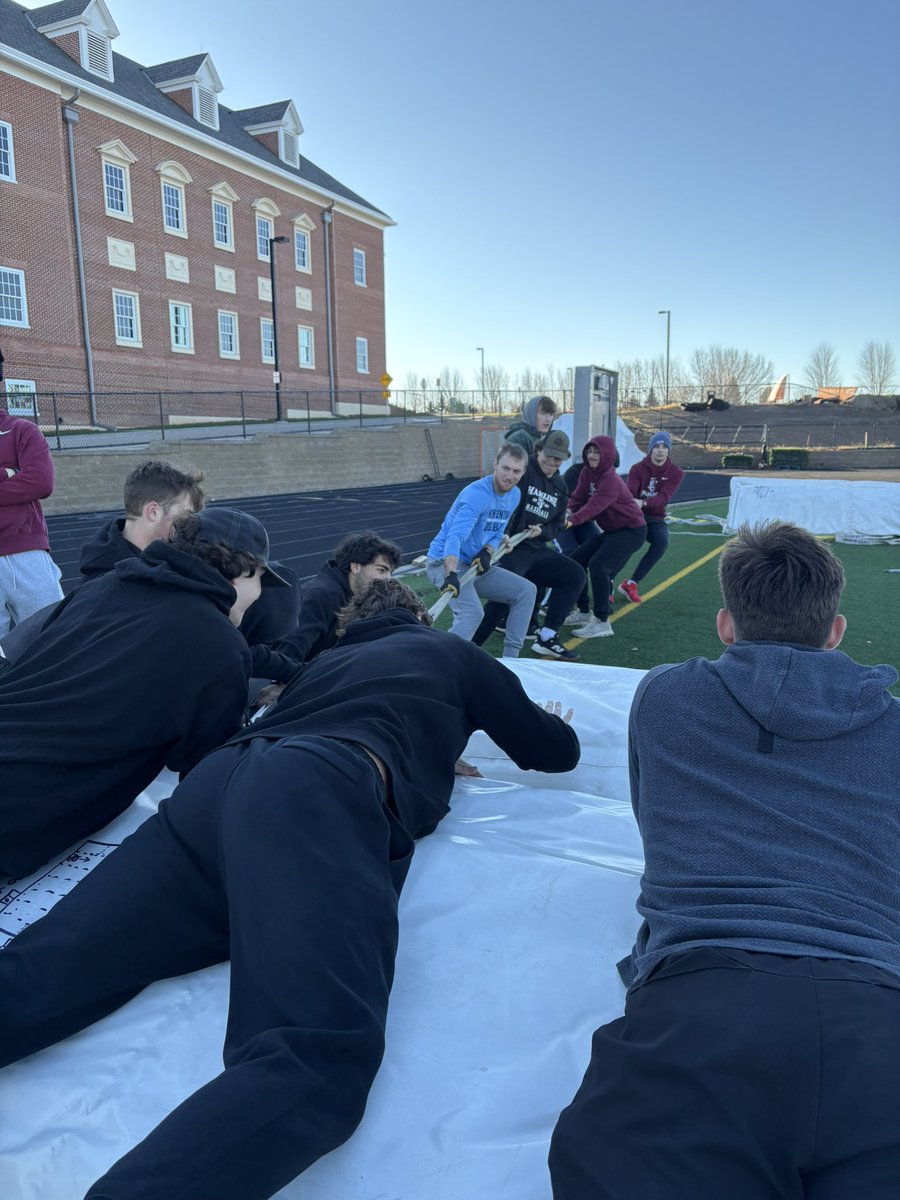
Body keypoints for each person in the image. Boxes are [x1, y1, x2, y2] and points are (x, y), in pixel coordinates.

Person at [0, 577, 580, 1200]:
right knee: (315, 1055)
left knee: (45, 970)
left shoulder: (326, 663)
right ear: (418, 616)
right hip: (312, 791)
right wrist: (514, 723)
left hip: (216, 789)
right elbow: (552, 752)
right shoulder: (450, 652)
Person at [550, 521, 900, 1199]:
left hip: (697, 1006)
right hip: (877, 1013)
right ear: (836, 630)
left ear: (725, 625)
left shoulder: (664, 697)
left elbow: (654, 820)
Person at [0, 507, 289, 881]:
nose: (260, 595)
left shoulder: (100, 588)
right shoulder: (216, 644)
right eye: (261, 580)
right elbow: (207, 774)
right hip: (19, 814)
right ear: (244, 571)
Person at [472, 429, 585, 661]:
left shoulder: (561, 487)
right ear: (539, 449)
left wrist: (543, 531)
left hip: (535, 549)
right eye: (549, 455)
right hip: (510, 548)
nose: (552, 461)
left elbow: (557, 523)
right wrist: (502, 533)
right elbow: (504, 502)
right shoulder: (523, 470)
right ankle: (471, 644)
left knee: (575, 574)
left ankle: (547, 635)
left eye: (558, 458)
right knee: (504, 595)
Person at [426, 443, 537, 658]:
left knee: (526, 591)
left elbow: (496, 530)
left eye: (516, 471)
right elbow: (454, 538)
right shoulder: (477, 495)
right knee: (472, 613)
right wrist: (450, 574)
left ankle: (511, 663)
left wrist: (488, 549)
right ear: (495, 464)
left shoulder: (514, 495)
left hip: (473, 565)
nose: (510, 476)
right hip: (445, 562)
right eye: (505, 468)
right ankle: (443, 663)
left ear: (523, 472)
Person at [249, 530, 402, 683]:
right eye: (381, 570)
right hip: (286, 676)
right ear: (356, 566)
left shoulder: (353, 593)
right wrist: (282, 684)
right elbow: (292, 644)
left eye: (390, 573)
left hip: (311, 671)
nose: (387, 579)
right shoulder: (323, 594)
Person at [563, 436, 645, 638]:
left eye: (596, 452)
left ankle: (602, 621)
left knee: (600, 566)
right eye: (589, 451)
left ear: (607, 454)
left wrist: (572, 521)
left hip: (632, 531)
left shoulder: (611, 480)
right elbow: (578, 499)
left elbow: (593, 507)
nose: (591, 455)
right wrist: (566, 512)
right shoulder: (586, 473)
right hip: (611, 531)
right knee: (575, 560)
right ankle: (583, 611)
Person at [0, 397, 63, 637]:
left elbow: (41, 482)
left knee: (54, 641)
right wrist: (8, 473)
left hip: (27, 555)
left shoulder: (21, 430)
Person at [617, 430, 685, 604]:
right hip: (635, 515)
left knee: (662, 542)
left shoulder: (676, 472)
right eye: (656, 446)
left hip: (655, 516)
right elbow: (629, 493)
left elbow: (663, 498)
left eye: (664, 447)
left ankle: (631, 583)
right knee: (626, 544)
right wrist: (636, 505)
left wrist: (643, 503)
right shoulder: (637, 468)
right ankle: (608, 581)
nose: (660, 450)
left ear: (669, 450)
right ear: (650, 449)